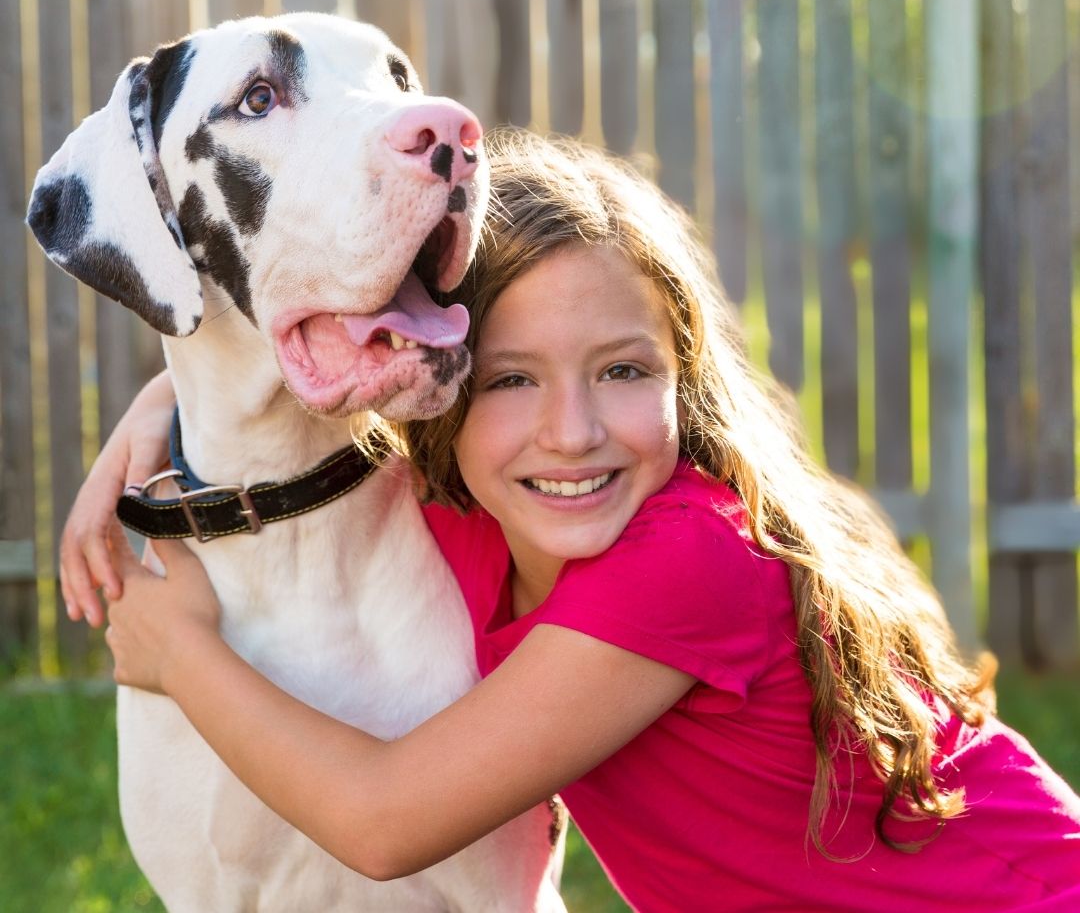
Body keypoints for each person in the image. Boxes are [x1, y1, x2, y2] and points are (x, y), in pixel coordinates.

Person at [69, 130, 1080, 911]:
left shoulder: (691, 555)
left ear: (687, 374)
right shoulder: (482, 522)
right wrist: (154, 413)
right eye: (511, 380)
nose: (572, 432)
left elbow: (381, 822)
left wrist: (184, 655)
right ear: (441, 393)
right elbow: (298, 395)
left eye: (624, 371)